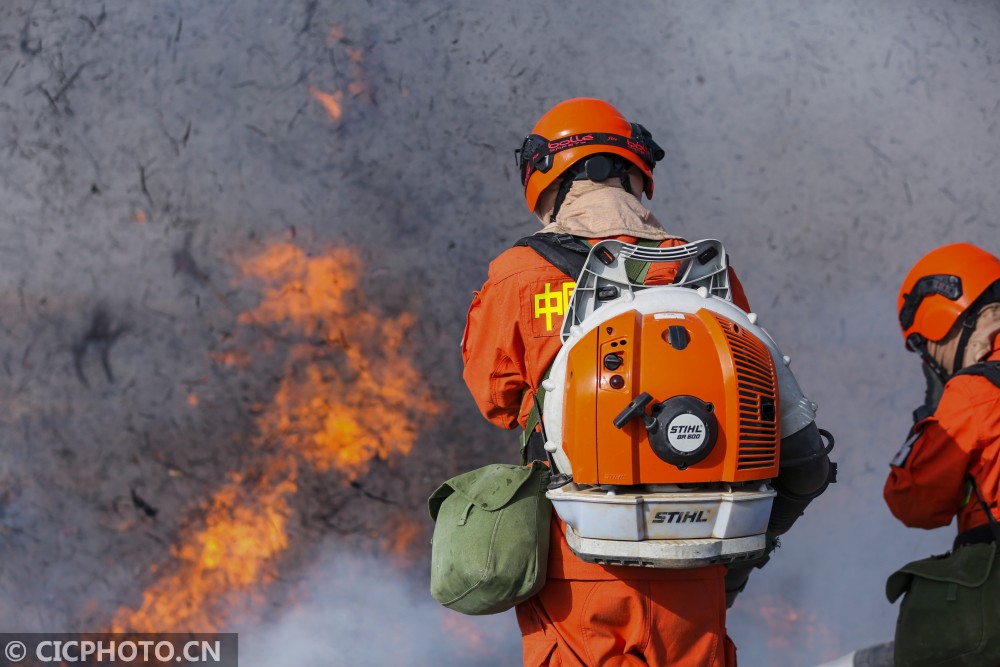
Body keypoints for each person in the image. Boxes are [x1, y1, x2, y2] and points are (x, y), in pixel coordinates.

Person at [461, 98, 747, 667]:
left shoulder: (520, 274)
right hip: (698, 555)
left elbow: (495, 397)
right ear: (637, 172)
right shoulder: (707, 273)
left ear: (544, 176)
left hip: (578, 557)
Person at [884, 242, 1000, 545]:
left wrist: (932, 414)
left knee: (924, 589)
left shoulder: (975, 391)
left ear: (940, 320)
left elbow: (912, 504)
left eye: (926, 348)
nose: (933, 363)